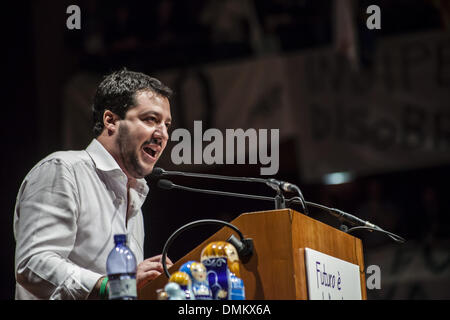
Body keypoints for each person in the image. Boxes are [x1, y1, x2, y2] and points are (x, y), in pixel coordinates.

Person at [14, 69, 174, 299]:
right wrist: (110, 285)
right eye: (151, 119)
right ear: (110, 120)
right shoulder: (63, 169)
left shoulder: (134, 194)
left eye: (167, 124)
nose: (163, 134)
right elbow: (33, 263)